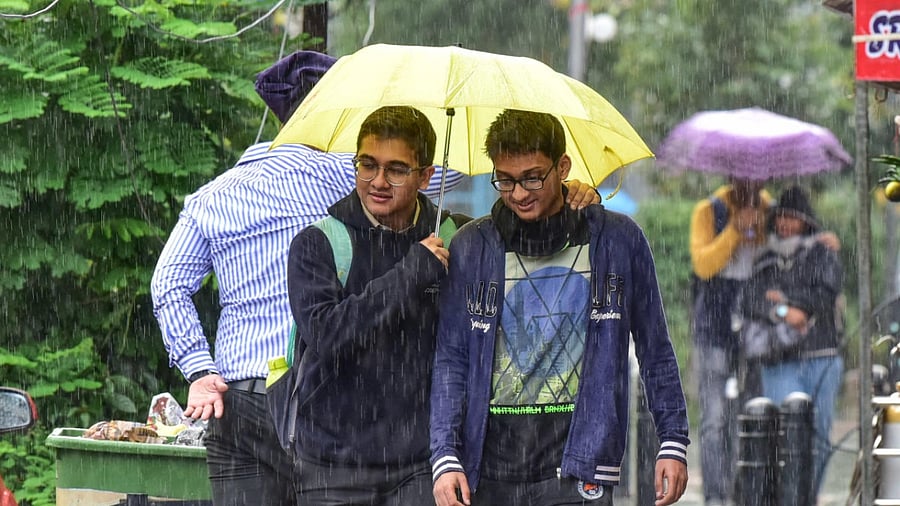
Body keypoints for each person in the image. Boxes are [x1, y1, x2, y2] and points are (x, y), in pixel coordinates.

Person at [149, 51, 464, 506]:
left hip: (236, 400)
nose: (377, 177)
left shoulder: (213, 195)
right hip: (316, 397)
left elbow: (168, 286)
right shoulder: (347, 174)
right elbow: (443, 170)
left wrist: (199, 368)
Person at [285, 105, 601, 506]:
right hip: (332, 463)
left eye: (396, 169)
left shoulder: (457, 238)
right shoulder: (318, 243)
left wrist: (573, 199)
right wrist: (411, 273)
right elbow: (328, 336)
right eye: (367, 165)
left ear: (426, 175)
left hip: (423, 463)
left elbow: (529, 230)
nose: (378, 181)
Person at [429, 109, 690, 506]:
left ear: (562, 166)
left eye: (533, 177)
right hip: (489, 464)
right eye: (505, 179)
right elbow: (452, 358)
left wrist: (673, 440)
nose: (518, 192)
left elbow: (655, 347)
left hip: (581, 460)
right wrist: (445, 456)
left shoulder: (617, 240)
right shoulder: (472, 246)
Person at [689, 179, 840, 506]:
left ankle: (758, 492)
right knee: (716, 419)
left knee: (758, 416)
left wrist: (820, 241)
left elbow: (794, 261)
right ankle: (717, 495)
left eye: (756, 181)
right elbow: (704, 267)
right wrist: (734, 228)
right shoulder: (708, 211)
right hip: (717, 330)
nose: (751, 186)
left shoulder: (770, 210)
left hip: (762, 339)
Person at [735, 185, 843, 498]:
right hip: (779, 361)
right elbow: (752, 300)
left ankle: (807, 496)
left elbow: (826, 293)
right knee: (783, 434)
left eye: (792, 218)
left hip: (821, 356)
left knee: (819, 437)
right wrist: (783, 309)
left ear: (806, 221)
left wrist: (789, 301)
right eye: (780, 217)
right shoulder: (764, 258)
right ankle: (786, 498)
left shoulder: (822, 253)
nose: (784, 224)